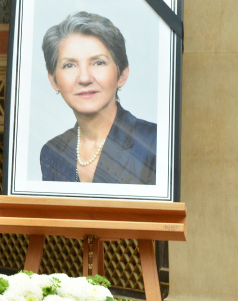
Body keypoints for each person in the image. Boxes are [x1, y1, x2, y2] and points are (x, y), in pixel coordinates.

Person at [39, 11, 157, 184]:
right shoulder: (52, 153)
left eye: (98, 62)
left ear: (122, 75)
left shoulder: (154, 143)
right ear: (54, 81)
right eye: (69, 65)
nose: (85, 78)